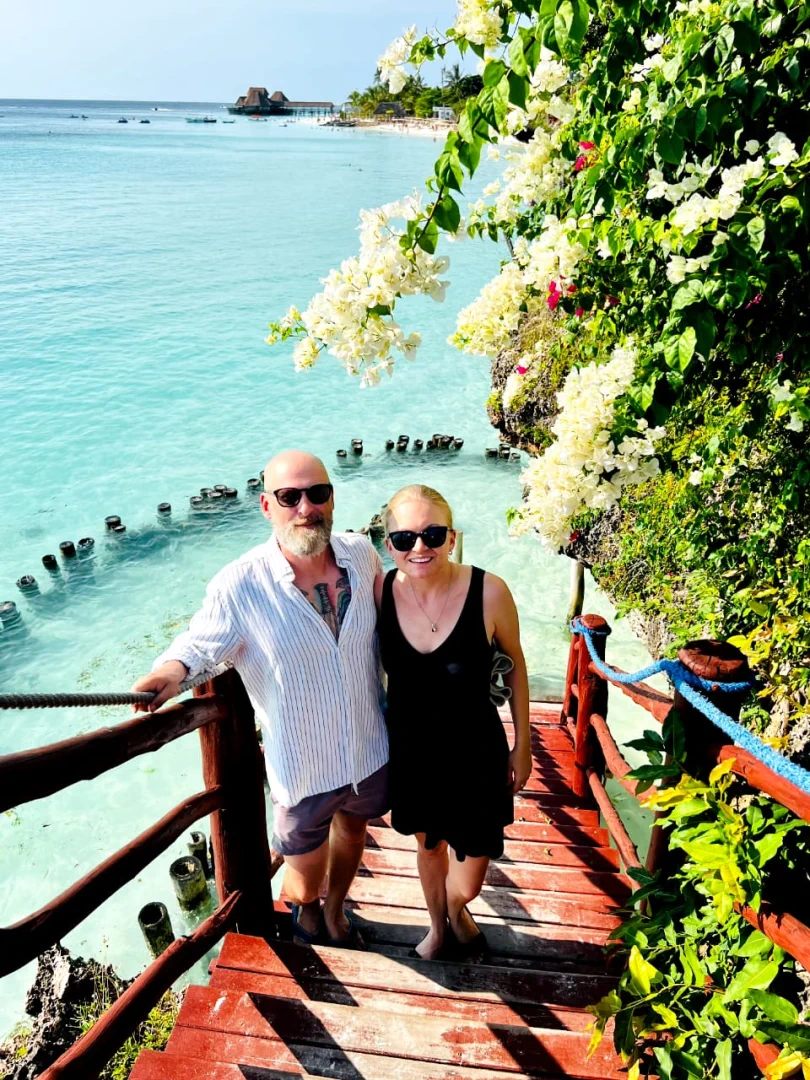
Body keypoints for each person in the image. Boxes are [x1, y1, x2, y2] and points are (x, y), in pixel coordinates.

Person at [131, 450, 388, 949]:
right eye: (289, 497)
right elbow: (202, 643)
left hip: (368, 747)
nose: (306, 508)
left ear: (332, 497)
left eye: (317, 493)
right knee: (304, 878)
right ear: (267, 506)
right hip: (303, 767)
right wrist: (170, 671)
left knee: (354, 833)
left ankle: (336, 910)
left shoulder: (362, 555)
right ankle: (309, 911)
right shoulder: (241, 584)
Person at [375, 484, 531, 961]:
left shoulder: (489, 592)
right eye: (404, 538)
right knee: (428, 848)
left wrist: (523, 744)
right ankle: (438, 927)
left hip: (476, 753)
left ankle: (457, 907)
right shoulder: (380, 592)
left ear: (452, 537)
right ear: (389, 545)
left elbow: (516, 666)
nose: (419, 547)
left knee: (471, 875)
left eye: (432, 534)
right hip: (412, 753)